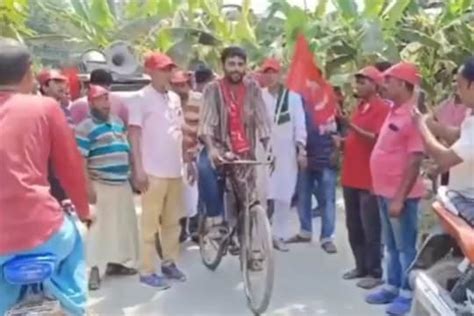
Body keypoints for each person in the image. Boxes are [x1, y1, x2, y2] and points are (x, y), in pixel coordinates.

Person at [0, 38, 92, 315]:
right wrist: (86, 211)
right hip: (45, 229)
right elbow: (70, 168)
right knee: (74, 240)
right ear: (29, 72)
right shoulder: (45, 108)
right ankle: (76, 307)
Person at [366, 62, 425, 316]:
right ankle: (391, 285)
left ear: (402, 84)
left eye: (388, 81)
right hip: (384, 191)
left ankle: (406, 292)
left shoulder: (413, 117)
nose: (384, 85)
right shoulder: (394, 110)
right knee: (389, 245)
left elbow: (415, 159)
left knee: (405, 247)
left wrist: (399, 197)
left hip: (402, 195)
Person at [198, 46, 272, 235]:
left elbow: (262, 118)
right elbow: (206, 123)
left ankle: (247, 247)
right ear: (223, 65)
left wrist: (269, 146)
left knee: (248, 202)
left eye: (240, 64)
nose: (236, 68)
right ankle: (216, 218)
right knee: (205, 167)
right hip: (219, 147)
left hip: (245, 150)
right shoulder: (212, 89)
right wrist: (212, 149)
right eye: (231, 64)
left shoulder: (253, 88)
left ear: (245, 66)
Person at [128, 52, 185, 289]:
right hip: (152, 171)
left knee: (173, 222)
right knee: (150, 224)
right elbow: (134, 133)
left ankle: (169, 262)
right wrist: (138, 169)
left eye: (169, 69)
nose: (167, 73)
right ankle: (147, 269)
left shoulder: (174, 98)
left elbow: (178, 130)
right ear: (150, 72)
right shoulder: (140, 98)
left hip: (175, 169)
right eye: (162, 69)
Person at [75, 85, 139, 291]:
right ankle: (94, 269)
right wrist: (87, 187)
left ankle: (116, 264)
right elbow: (81, 160)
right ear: (91, 103)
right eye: (100, 100)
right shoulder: (84, 127)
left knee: (121, 226)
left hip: (121, 182)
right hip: (99, 183)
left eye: (106, 99)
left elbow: (126, 148)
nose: (105, 103)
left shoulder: (117, 122)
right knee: (98, 229)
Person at [338, 66, 390, 289]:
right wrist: (341, 142)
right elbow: (355, 139)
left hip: (369, 179)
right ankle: (360, 266)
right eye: (357, 81)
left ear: (375, 85)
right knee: (354, 225)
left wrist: (351, 126)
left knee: (371, 228)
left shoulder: (383, 108)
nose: (357, 85)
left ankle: (375, 271)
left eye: (363, 82)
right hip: (350, 176)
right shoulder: (359, 107)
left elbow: (376, 140)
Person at [260, 58, 307, 252]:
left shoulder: (293, 98)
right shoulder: (258, 96)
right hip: (262, 151)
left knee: (283, 195)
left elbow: (300, 125)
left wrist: (301, 149)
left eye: (274, 72)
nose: (270, 76)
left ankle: (279, 235)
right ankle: (260, 235)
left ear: (280, 75)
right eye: (267, 72)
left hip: (286, 153)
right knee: (262, 194)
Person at [413, 57, 474, 200]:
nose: (457, 91)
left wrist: (421, 125)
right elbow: (455, 136)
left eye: (460, 86)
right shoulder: (470, 114)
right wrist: (430, 124)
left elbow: (445, 158)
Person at [287, 94, 341, 255]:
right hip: (304, 157)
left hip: (325, 158)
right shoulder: (297, 102)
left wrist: (336, 150)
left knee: (327, 199)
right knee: (303, 196)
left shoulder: (329, 104)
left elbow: (341, 128)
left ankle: (327, 237)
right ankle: (305, 231)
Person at [170, 70, 201, 243]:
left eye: (182, 84)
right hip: (173, 154)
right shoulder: (169, 102)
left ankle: (196, 228)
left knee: (195, 193)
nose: (179, 89)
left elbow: (205, 127)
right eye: (175, 85)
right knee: (178, 195)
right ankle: (180, 228)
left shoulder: (199, 100)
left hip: (195, 152)